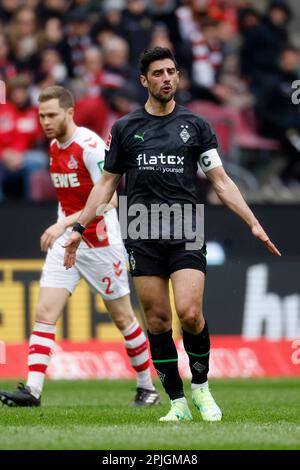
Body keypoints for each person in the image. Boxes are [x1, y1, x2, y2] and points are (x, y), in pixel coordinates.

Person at [63, 47, 281, 422]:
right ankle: (177, 402)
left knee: (190, 312)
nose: (167, 78)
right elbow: (106, 185)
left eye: (172, 72)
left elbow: (221, 180)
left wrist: (252, 221)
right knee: (160, 320)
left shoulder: (196, 126)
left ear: (178, 77)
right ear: (144, 80)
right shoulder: (126, 128)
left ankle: (201, 389)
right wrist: (80, 226)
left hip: (185, 226)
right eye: (158, 73)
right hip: (141, 229)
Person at [0, 85, 160, 408]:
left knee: (123, 319)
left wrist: (65, 224)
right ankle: (32, 390)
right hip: (67, 242)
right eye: (41, 115)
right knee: (45, 311)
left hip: (100, 242)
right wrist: (65, 228)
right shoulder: (54, 146)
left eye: (52, 115)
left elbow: (111, 199)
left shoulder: (90, 147)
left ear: (69, 113)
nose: (45, 122)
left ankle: (148, 388)